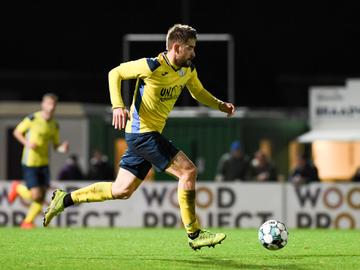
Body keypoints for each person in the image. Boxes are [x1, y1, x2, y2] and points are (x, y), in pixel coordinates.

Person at [43, 24, 235, 250]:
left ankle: (64, 199)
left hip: (144, 135)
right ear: (176, 47)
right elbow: (114, 73)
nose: (194, 53)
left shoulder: (188, 70)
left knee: (121, 190)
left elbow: (198, 92)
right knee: (188, 171)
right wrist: (117, 106)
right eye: (190, 48)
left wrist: (220, 105)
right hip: (142, 133)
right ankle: (194, 234)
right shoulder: (151, 66)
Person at [8, 93, 69, 228]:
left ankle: (27, 222)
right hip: (30, 162)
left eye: (53, 104)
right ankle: (17, 188)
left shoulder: (54, 124)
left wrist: (62, 148)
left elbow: (55, 145)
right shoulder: (32, 118)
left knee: (41, 197)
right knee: (35, 196)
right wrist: (27, 143)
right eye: (49, 104)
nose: (51, 107)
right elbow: (17, 132)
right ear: (43, 104)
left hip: (44, 163)